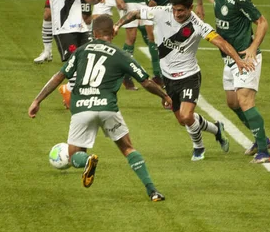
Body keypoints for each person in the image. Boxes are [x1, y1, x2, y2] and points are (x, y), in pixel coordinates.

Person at [28, 15, 171, 202]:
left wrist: (37, 100)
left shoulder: (81, 51)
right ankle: (152, 191)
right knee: (127, 148)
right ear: (113, 32)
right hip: (107, 108)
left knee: (74, 156)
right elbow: (146, 82)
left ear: (93, 33)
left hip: (81, 109)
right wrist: (165, 96)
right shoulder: (121, 54)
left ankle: (87, 161)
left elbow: (59, 76)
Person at [113, 0, 254, 161]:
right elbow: (135, 13)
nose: (177, 14)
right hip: (168, 78)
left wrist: (239, 61)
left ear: (190, 7)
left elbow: (221, 43)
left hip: (189, 76)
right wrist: (117, 25)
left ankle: (199, 148)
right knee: (182, 120)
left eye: (181, 10)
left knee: (187, 116)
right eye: (174, 9)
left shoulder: (198, 25)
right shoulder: (161, 12)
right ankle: (217, 129)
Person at [197, 0, 270, 164]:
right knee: (232, 103)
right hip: (230, 59)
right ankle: (261, 139)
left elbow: (262, 22)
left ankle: (264, 152)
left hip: (245, 58)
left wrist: (253, 48)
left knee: (246, 101)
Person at [44, 0, 104, 108]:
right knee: (73, 65)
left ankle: (69, 90)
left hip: (81, 28)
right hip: (64, 29)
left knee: (90, 60)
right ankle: (74, 95)